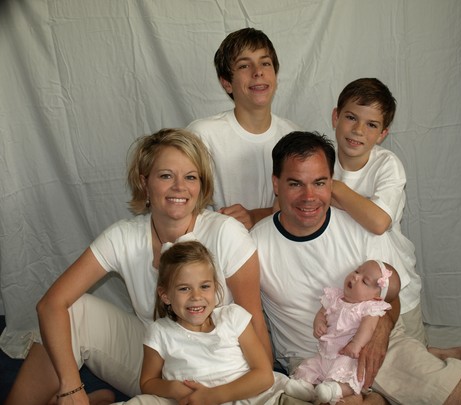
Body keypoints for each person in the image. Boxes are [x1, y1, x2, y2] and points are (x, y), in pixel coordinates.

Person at [5, 128, 272, 405]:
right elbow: (50, 305)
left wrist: (263, 391)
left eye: (190, 177)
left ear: (201, 185)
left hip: (225, 373)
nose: (179, 187)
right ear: (144, 182)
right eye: (166, 175)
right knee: (72, 310)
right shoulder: (123, 235)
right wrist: (71, 386)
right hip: (158, 373)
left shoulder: (226, 232)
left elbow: (254, 318)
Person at [250, 131, 461, 404]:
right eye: (295, 184)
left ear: (331, 183)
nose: (309, 196)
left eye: (319, 183)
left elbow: (391, 298)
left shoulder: (358, 226)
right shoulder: (254, 245)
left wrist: (381, 334)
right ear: (276, 184)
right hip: (313, 361)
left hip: (374, 340)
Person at [330, 77, 461, 361]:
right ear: (335, 117)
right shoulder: (323, 161)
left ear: (382, 134)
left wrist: (336, 189)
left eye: (371, 125)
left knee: (411, 352)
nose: (358, 130)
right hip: (351, 280)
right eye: (351, 117)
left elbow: (378, 222)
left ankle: (431, 353)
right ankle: (431, 352)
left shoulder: (387, 165)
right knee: (362, 351)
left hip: (393, 282)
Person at [114, 241, 287, 405]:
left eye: (204, 286)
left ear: (215, 287)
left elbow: (264, 376)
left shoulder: (233, 317)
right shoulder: (159, 332)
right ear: (165, 295)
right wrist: (173, 388)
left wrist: (212, 396)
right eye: (184, 288)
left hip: (254, 400)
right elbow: (148, 382)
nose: (196, 296)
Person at [187, 27, 300, 230]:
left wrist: (255, 216)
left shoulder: (294, 136)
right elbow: (181, 208)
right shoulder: (201, 136)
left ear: (275, 75)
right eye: (244, 66)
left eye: (265, 63)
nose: (258, 72)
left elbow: (303, 205)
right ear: (226, 83)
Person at [285, 260, 401, 405]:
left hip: (346, 355)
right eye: (357, 271)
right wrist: (319, 323)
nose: (356, 277)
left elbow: (368, 328)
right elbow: (322, 313)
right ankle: (306, 387)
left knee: (348, 376)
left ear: (376, 297)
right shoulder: (335, 297)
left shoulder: (369, 308)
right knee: (310, 366)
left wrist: (356, 344)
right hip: (324, 353)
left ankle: (334, 390)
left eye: (364, 281)